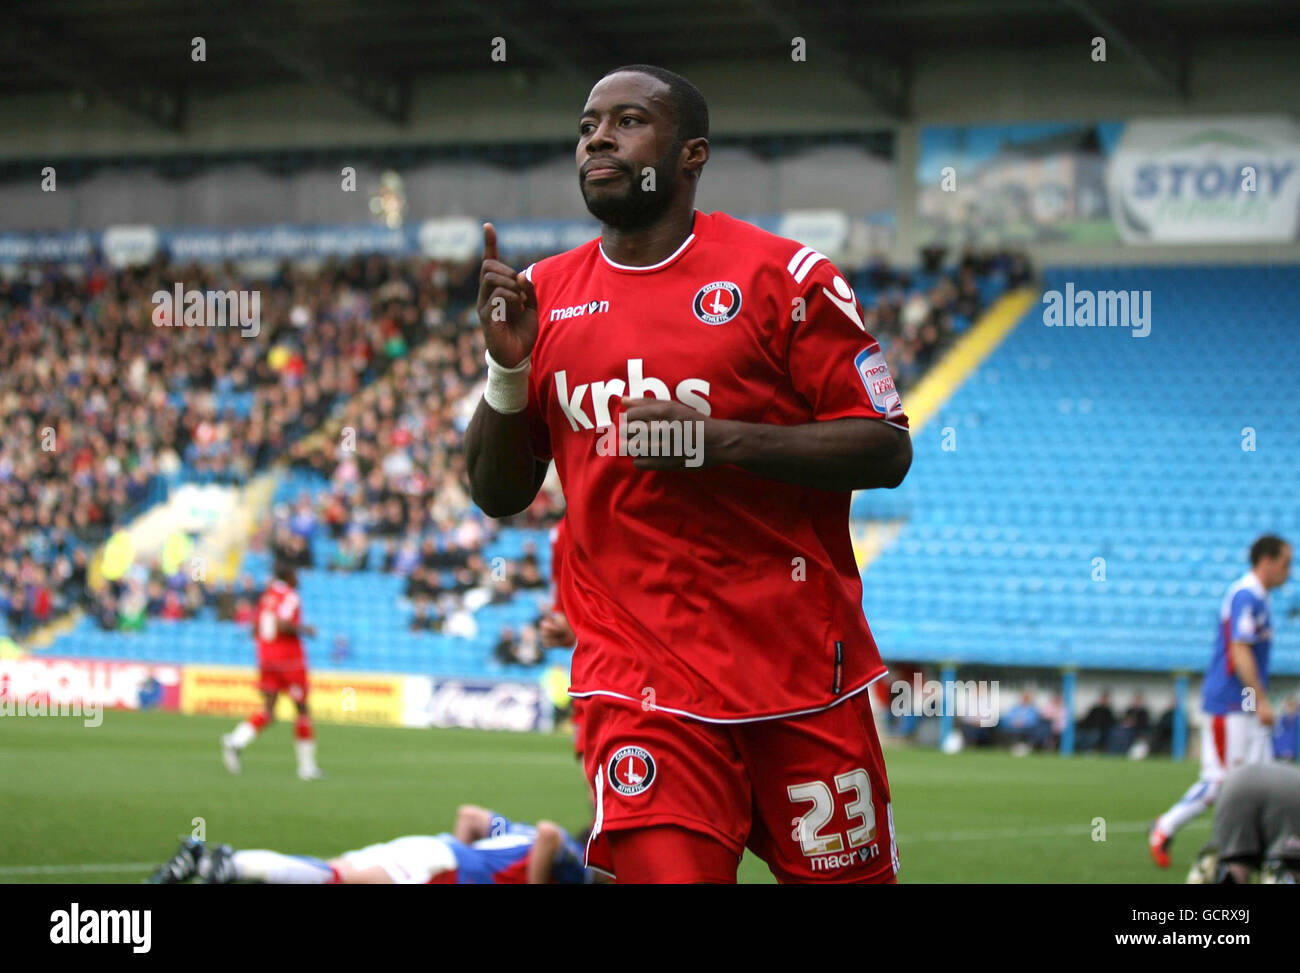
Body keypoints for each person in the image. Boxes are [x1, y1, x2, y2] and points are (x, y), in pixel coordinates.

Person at [464, 65, 912, 884]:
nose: (599, 137)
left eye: (628, 121)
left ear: (691, 154)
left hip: (802, 674)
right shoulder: (544, 297)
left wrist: (721, 441)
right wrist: (508, 371)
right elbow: (498, 494)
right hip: (640, 686)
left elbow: (884, 446)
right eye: (588, 125)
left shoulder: (784, 277)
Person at [1151, 535, 1292, 867]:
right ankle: (1167, 827)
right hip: (1230, 704)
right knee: (1222, 783)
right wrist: (1260, 699)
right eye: (1286, 562)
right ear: (1266, 561)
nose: (1289, 570)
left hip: (1243, 705)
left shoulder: (1259, 598)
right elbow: (1239, 650)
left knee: (1265, 776)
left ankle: (1266, 851)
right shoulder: (1246, 596)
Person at [146, 806, 595, 885]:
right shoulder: (573, 861)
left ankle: (219, 862)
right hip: (439, 866)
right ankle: (216, 861)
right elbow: (551, 833)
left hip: (432, 853)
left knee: (332, 872)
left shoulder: (512, 831)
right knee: (339, 877)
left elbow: (469, 815)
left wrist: (458, 853)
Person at [221, 560, 323, 781]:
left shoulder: (267, 595)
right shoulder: (290, 596)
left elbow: (255, 627)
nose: (298, 579)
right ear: (288, 576)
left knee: (269, 710)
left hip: (266, 659)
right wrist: (307, 630)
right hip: (288, 661)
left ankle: (236, 740)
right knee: (303, 709)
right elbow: (283, 623)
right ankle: (307, 768)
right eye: (296, 574)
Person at [1186, 762, 1300, 884]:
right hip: (1291, 794)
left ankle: (1220, 873)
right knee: (1290, 863)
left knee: (1235, 858)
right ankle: (1281, 874)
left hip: (1235, 782)